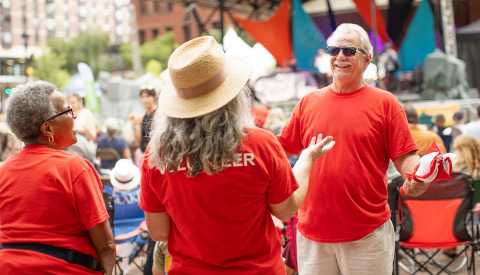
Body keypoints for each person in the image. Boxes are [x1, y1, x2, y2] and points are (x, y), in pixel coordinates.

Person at [139, 35, 334, 275]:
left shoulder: (157, 156)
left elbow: (158, 231)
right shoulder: (260, 144)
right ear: (232, 97)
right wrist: (307, 160)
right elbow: (286, 210)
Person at [278, 23, 428, 275]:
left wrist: (419, 176)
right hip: (312, 233)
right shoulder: (308, 103)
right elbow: (280, 150)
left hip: (366, 234)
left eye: (348, 51)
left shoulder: (386, 104)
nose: (339, 57)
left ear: (367, 59)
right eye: (333, 50)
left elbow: (405, 157)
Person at [0, 81, 115, 274]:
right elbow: (106, 246)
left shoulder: (3, 172)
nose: (74, 116)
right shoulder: (74, 168)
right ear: (47, 129)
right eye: (67, 111)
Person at [133, 86, 158, 154]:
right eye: (142, 97)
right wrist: (136, 125)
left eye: (147, 96)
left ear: (153, 97)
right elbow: (138, 141)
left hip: (155, 154)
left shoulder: (158, 113)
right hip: (145, 153)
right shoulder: (145, 116)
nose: (144, 100)